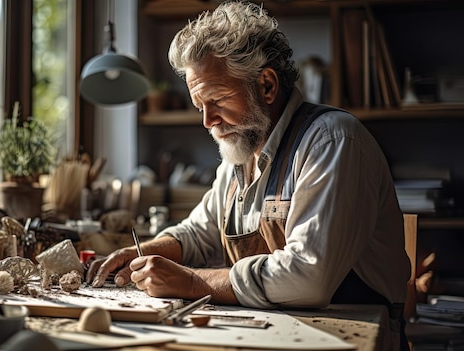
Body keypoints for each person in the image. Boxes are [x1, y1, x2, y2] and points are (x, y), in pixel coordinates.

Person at [87, 1, 410, 349]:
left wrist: (194, 282)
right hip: (276, 330)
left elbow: (308, 277)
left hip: (350, 334)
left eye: (218, 100)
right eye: (200, 107)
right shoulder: (241, 153)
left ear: (267, 86)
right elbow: (199, 234)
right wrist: (145, 252)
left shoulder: (332, 141)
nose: (207, 121)